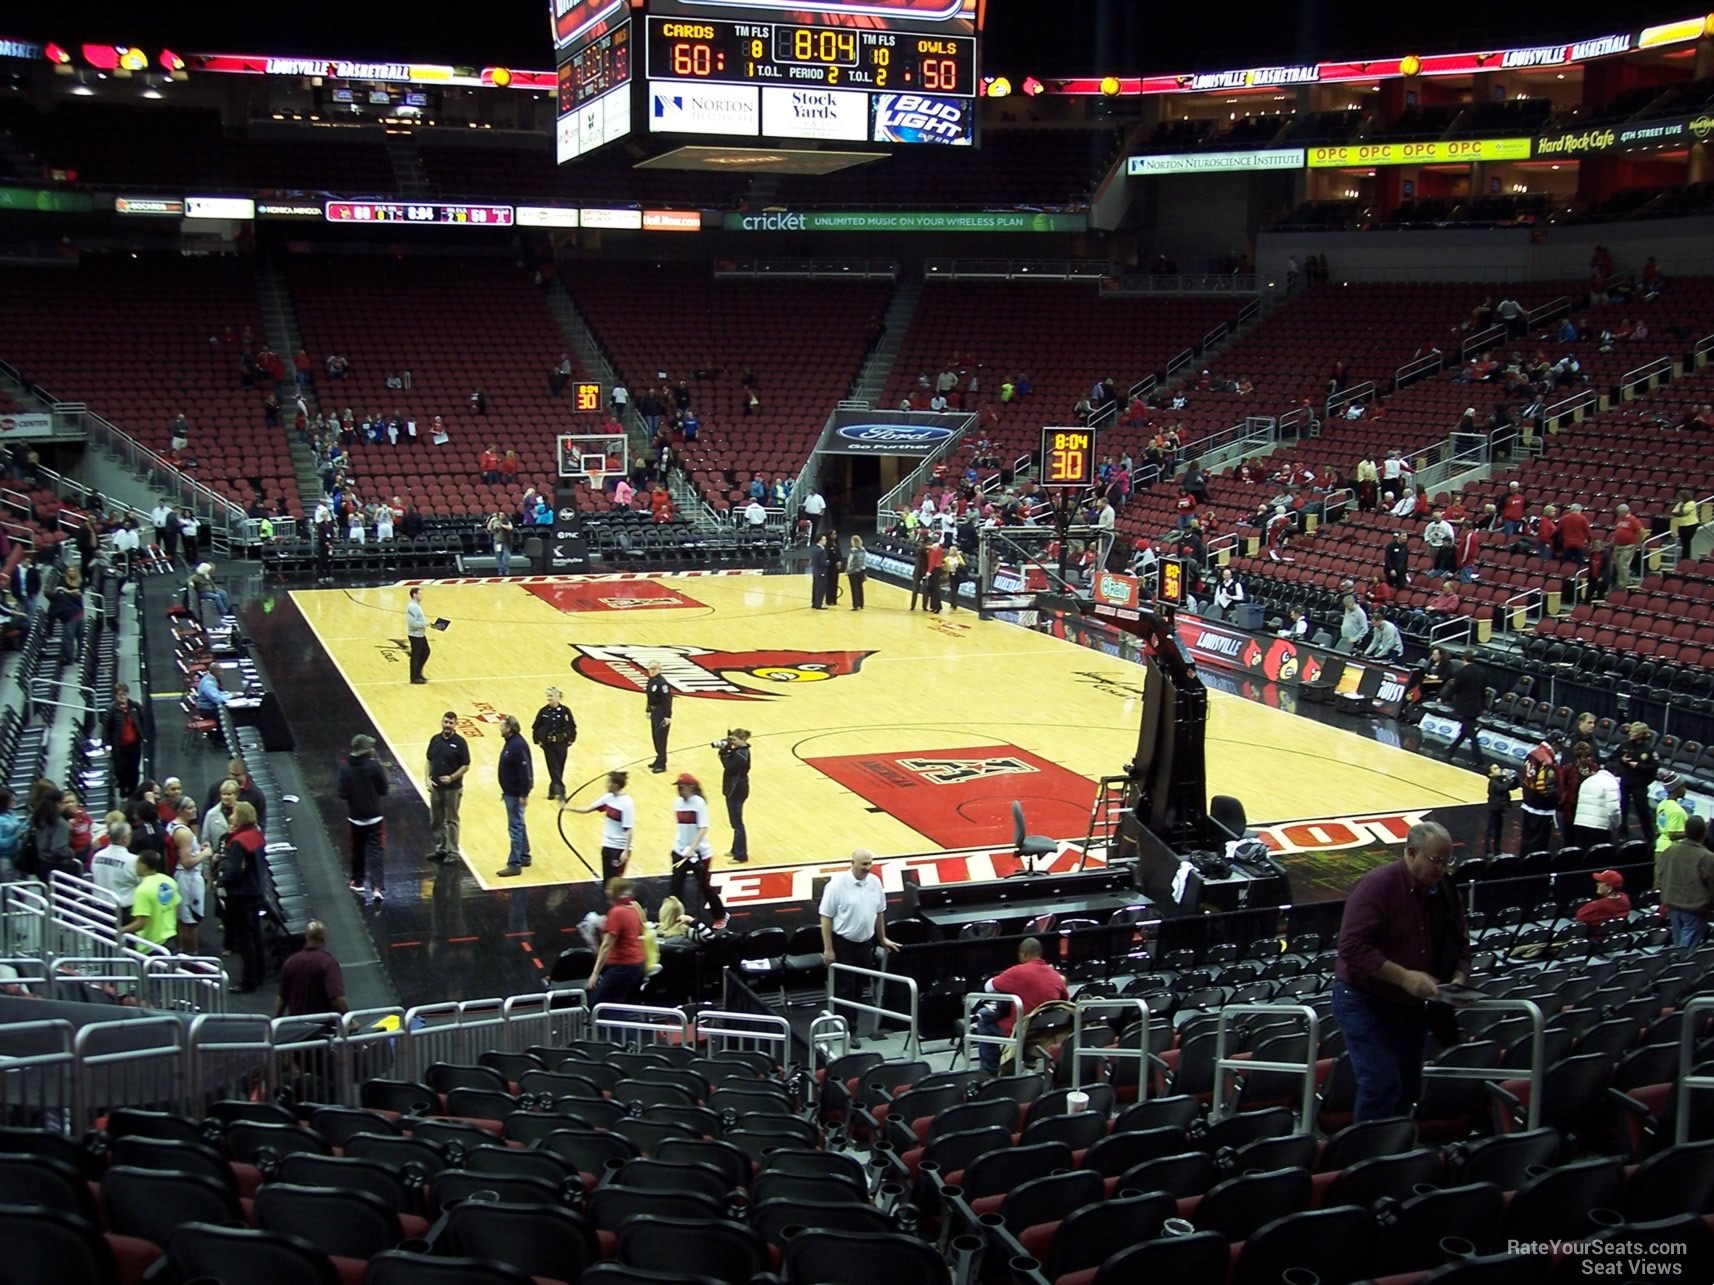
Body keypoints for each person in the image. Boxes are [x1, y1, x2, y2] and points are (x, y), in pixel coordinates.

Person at [1332, 821, 1468, 1121]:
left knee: (1408, 1087)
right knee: (1380, 1084)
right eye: (1436, 861)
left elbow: (1460, 943)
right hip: (1363, 998)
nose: (1442, 869)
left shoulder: (1446, 891)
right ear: (1410, 853)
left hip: (1412, 1004)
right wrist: (1404, 976)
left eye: (1448, 861)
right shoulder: (1377, 885)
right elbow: (1351, 948)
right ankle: (1366, 1159)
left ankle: (1394, 1149)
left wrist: (1458, 978)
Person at [819, 849, 899, 1049]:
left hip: (866, 944)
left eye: (870, 863)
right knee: (845, 989)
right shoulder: (836, 885)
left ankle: (850, 1026)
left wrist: (882, 938)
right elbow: (825, 917)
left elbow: (880, 912)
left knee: (859, 988)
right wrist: (829, 949)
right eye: (864, 864)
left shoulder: (875, 882)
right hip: (843, 943)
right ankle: (847, 1031)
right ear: (852, 863)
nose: (868, 867)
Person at [974, 937, 1068, 1075]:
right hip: (1046, 1033)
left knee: (984, 1024)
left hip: (1020, 1030)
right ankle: (1028, 1056)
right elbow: (1064, 1001)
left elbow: (988, 987)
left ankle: (990, 1072)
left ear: (1024, 954)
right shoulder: (1056, 976)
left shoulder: (1016, 972)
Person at [667, 773, 728, 927]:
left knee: (704, 887)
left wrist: (692, 849)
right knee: (675, 887)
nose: (679, 790)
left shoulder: (699, 803)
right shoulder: (677, 803)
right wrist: (681, 847)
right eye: (678, 787)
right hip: (680, 851)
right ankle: (676, 918)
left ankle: (721, 915)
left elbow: (703, 828)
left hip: (700, 853)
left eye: (682, 787)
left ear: (691, 787)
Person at [338, 733, 389, 906]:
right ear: (366, 751)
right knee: (376, 852)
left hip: (356, 818)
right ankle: (377, 888)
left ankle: (357, 882)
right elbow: (384, 789)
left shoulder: (345, 769)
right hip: (375, 817)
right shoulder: (375, 767)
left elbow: (342, 794)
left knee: (357, 850)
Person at [221, 802, 266, 994]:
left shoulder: (238, 842)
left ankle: (248, 981)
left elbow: (233, 871)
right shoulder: (256, 835)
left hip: (240, 894)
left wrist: (220, 881)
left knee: (244, 939)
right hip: (255, 890)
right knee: (255, 934)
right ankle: (259, 974)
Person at [586, 877, 647, 1006]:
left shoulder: (616, 912)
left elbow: (607, 945)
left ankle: (611, 1026)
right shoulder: (634, 909)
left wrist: (595, 973)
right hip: (637, 965)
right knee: (620, 1002)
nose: (606, 891)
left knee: (599, 1004)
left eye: (609, 888)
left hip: (623, 966)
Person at [1658, 815, 1714, 949]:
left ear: (1686, 831)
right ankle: (1679, 968)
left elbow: (1661, 875)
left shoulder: (1670, 850)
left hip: (1672, 906)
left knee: (1680, 943)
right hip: (1695, 909)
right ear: (1704, 833)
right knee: (1685, 950)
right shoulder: (1707, 857)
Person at [569, 770, 636, 881]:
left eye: (608, 782)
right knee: (606, 880)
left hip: (619, 848)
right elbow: (588, 809)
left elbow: (629, 828)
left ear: (615, 785)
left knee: (614, 882)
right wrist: (567, 808)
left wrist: (626, 850)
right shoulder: (608, 798)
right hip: (607, 845)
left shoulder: (627, 803)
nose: (606, 785)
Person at [276, 921, 349, 1018]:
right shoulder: (328, 963)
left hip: (298, 1026)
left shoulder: (290, 962)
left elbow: (282, 998)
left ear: (306, 937)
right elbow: (336, 998)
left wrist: (276, 1019)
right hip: (324, 1024)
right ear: (324, 939)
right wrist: (350, 1020)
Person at [167, 798, 208, 954]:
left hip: (181, 876)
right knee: (191, 921)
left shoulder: (172, 825)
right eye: (190, 808)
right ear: (180, 811)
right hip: (188, 878)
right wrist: (204, 854)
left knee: (182, 920)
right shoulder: (184, 832)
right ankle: (192, 958)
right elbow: (187, 862)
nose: (194, 810)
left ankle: (181, 954)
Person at [496, 714, 534, 877]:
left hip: (515, 793)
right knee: (519, 823)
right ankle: (525, 855)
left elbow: (525, 772)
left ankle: (514, 863)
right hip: (511, 792)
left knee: (515, 827)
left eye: (502, 726)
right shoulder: (513, 742)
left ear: (510, 728)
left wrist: (524, 794)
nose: (500, 728)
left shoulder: (517, 745)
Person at [1612, 723, 1660, 844]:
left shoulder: (1649, 750)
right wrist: (1622, 760)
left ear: (1640, 735)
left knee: (1643, 811)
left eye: (1633, 732)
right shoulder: (1624, 745)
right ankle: (1622, 834)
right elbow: (1612, 758)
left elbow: (1654, 767)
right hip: (1626, 782)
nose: (1630, 734)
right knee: (1622, 809)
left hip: (1640, 785)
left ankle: (1649, 837)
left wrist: (1639, 766)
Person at [121, 849, 180, 947]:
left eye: (137, 864)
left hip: (151, 943)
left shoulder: (143, 890)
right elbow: (176, 908)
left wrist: (120, 930)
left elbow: (141, 923)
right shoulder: (169, 881)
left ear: (144, 866)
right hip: (170, 937)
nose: (135, 867)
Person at [1439, 651, 1486, 765]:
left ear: (1463, 659)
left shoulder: (1462, 672)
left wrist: (1443, 698)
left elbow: (1454, 688)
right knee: (1465, 730)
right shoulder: (1482, 671)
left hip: (1465, 706)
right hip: (1477, 705)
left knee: (1470, 732)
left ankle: (1479, 760)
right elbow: (1483, 690)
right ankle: (1451, 750)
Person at [1519, 733, 1563, 856]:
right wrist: (1558, 799)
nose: (1560, 749)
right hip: (1541, 807)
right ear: (1554, 744)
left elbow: (1524, 775)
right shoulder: (1547, 760)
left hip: (1528, 801)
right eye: (1559, 746)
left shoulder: (1533, 753)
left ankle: (1522, 863)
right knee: (1538, 841)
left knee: (1526, 837)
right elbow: (1545, 788)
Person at [531, 687, 578, 803]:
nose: (549, 699)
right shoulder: (543, 712)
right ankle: (561, 791)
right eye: (548, 696)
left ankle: (552, 789)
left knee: (559, 767)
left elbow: (571, 725)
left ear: (557, 697)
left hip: (562, 743)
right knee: (553, 768)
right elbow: (536, 726)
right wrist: (538, 740)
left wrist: (571, 738)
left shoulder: (565, 711)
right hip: (549, 744)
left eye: (551, 696)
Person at [102, 682, 146, 795]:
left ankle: (133, 790)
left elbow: (142, 720)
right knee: (121, 769)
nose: (123, 697)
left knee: (133, 768)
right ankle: (123, 787)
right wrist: (106, 744)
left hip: (134, 744)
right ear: (116, 696)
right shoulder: (111, 710)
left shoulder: (135, 706)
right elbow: (106, 728)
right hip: (119, 746)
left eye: (125, 694)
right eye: (120, 694)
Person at [92, 818, 140, 921]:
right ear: (125, 839)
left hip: (100, 907)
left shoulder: (97, 856)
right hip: (123, 911)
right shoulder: (133, 860)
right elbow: (141, 883)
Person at [1569, 756, 1621, 849]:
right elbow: (1614, 809)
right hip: (1599, 827)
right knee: (1599, 857)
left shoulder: (1587, 780)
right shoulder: (1611, 783)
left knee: (1583, 855)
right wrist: (1617, 823)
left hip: (1581, 824)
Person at [717, 728, 751, 865]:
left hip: (736, 790)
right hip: (737, 788)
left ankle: (741, 855)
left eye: (734, 740)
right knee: (735, 822)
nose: (732, 742)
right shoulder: (740, 751)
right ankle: (735, 849)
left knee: (737, 823)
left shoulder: (741, 755)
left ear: (742, 740)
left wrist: (723, 753)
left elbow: (729, 767)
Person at [645, 662, 672, 773]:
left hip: (662, 712)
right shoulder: (651, 681)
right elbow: (649, 697)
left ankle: (662, 763)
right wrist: (648, 709)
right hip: (655, 712)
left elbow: (667, 701)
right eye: (650, 668)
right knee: (656, 737)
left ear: (659, 670)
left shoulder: (662, 683)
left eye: (654, 668)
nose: (651, 670)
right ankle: (658, 758)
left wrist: (667, 716)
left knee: (661, 738)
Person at [1657, 775, 1690, 854]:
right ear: (1677, 788)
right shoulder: (1677, 810)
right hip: (1670, 850)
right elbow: (1673, 835)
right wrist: (1691, 832)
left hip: (1660, 846)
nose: (1685, 790)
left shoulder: (1661, 804)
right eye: (1683, 787)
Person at [406, 586, 429, 684]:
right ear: (414, 595)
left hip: (420, 634)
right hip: (415, 635)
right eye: (420, 594)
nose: (421, 596)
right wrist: (424, 624)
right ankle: (414, 677)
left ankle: (419, 673)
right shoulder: (412, 607)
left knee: (426, 652)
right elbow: (412, 623)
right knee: (416, 656)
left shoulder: (417, 606)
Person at [1670, 488, 1700, 563]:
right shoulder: (1680, 503)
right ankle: (1684, 559)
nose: (1678, 498)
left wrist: (1678, 513)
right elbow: (1673, 512)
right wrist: (1678, 513)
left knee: (1687, 543)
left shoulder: (1691, 503)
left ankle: (1686, 559)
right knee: (1684, 543)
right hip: (1682, 526)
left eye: (1680, 496)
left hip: (1690, 526)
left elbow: (1682, 513)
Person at [847, 535, 867, 611]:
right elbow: (865, 561)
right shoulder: (863, 550)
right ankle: (861, 604)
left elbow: (850, 560)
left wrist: (847, 569)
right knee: (860, 587)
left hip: (853, 571)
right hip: (861, 570)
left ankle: (856, 605)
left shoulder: (853, 550)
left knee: (854, 588)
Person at [809, 534, 828, 610]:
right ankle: (818, 604)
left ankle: (814, 603)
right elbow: (823, 563)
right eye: (824, 539)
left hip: (815, 571)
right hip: (821, 571)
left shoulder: (814, 549)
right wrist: (828, 562)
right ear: (819, 540)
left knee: (815, 587)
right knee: (820, 588)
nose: (825, 541)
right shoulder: (821, 550)